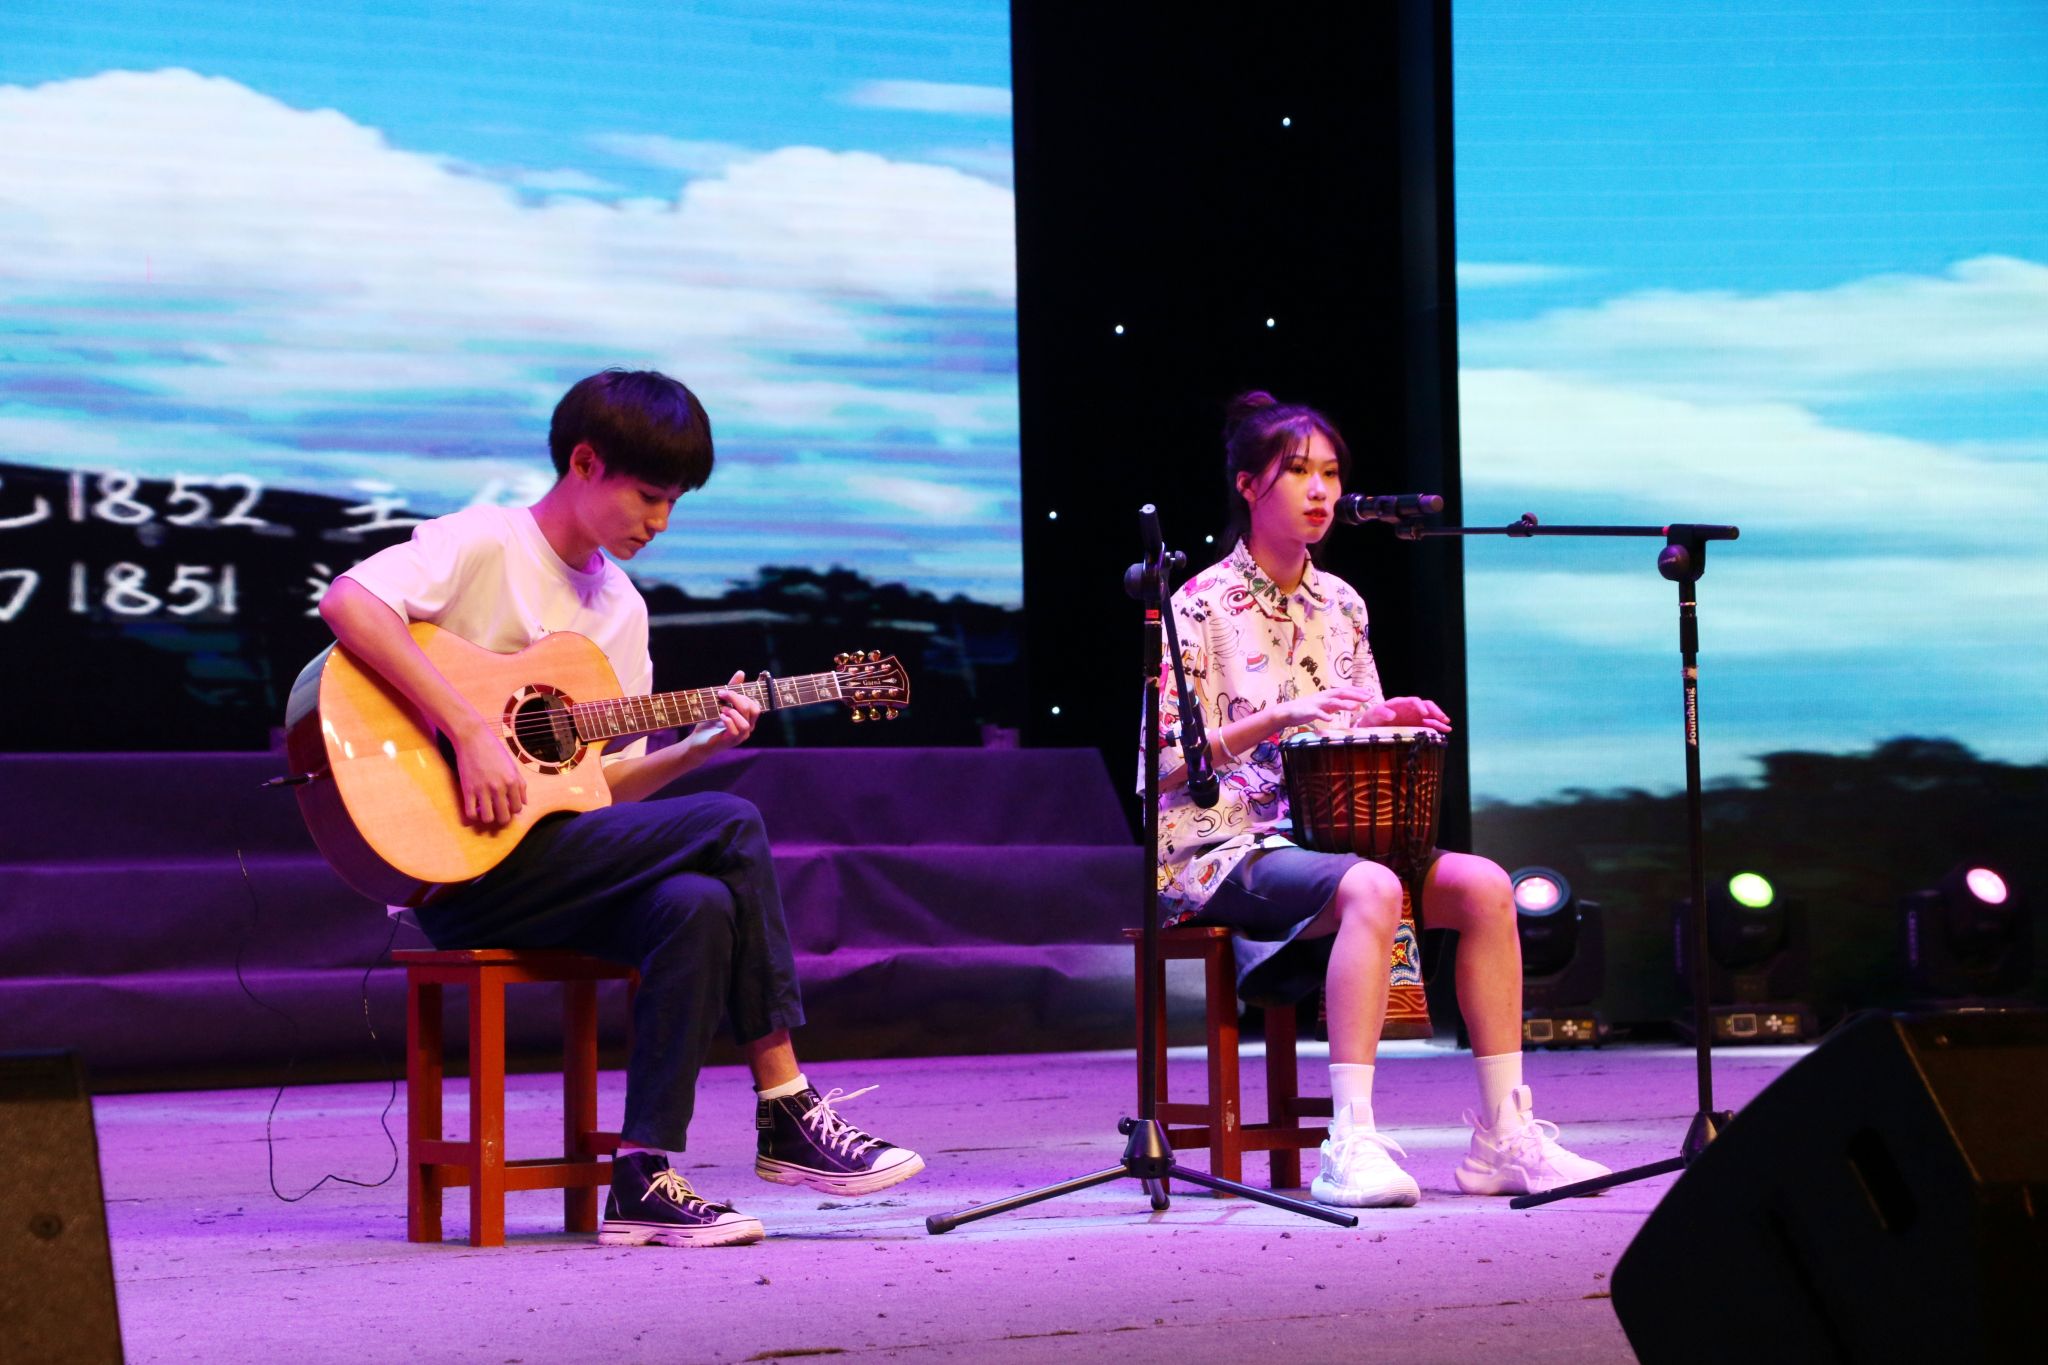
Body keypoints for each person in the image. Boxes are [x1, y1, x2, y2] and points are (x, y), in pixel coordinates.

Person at [318, 368, 923, 1247]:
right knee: (732, 822)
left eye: (675, 503)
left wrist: (696, 748)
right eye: (648, 496)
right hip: (460, 870)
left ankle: (643, 1175)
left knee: (699, 902)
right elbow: (348, 601)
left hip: (558, 862)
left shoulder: (621, 610)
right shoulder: (485, 541)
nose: (660, 522)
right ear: (584, 462)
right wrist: (469, 728)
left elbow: (599, 789)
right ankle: (787, 1103)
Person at [1149, 391, 1609, 1208]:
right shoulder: (1197, 605)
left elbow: (1346, 730)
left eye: (1330, 473)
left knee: (1485, 885)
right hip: (1224, 846)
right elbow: (1161, 768)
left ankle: (1504, 1135)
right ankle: (1349, 1139)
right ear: (1249, 485)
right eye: (1298, 471)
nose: (1320, 490)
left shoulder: (1343, 604)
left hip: (1326, 840)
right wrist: (1276, 717)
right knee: (1371, 884)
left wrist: (1384, 717)